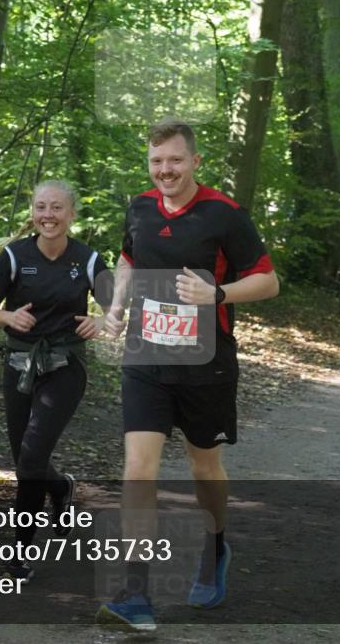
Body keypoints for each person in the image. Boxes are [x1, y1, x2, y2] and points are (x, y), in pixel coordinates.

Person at [95, 119, 279, 632]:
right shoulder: (139, 207)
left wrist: (216, 293)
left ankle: (215, 545)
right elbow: (128, 258)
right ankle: (135, 594)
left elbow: (268, 281)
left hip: (206, 364)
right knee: (138, 467)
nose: (165, 170)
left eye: (175, 160)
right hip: (146, 358)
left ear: (195, 161)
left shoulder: (224, 214)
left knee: (204, 469)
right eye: (156, 161)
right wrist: (116, 306)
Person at [0, 180, 111, 582]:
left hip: (65, 366)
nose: (47, 215)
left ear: (71, 214)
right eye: (41, 207)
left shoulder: (88, 259)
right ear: (33, 212)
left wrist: (102, 320)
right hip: (19, 365)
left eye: (56, 208)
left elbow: (117, 308)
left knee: (32, 457)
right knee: (26, 461)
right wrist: (8, 316)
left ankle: (20, 553)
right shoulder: (15, 256)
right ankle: (59, 488)